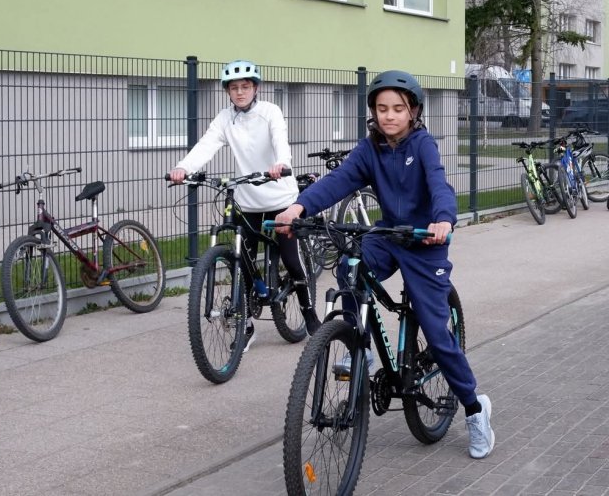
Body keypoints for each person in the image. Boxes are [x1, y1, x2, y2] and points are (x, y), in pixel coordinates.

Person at [273, 70, 495, 459]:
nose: (389, 115)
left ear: (413, 112)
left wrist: (443, 220)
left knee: (436, 334)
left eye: (398, 108)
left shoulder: (423, 145)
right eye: (382, 108)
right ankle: (358, 342)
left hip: (424, 241)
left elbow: (439, 184)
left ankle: (475, 409)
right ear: (373, 112)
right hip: (389, 235)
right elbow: (338, 180)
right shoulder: (369, 149)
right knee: (350, 264)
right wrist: (299, 207)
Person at [167, 60, 317, 350]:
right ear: (227, 91)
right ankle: (246, 326)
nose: (239, 92)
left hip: (280, 197)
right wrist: (183, 167)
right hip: (247, 201)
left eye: (245, 86)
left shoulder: (270, 111)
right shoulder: (225, 119)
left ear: (255, 88)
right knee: (244, 265)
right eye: (234, 88)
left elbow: (280, 140)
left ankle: (308, 310)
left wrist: (281, 163)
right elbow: (206, 144)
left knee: (291, 259)